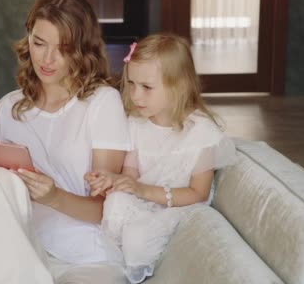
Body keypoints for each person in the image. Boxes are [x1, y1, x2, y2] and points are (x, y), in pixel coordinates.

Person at [0, 0, 131, 283]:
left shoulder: (102, 102)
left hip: (86, 257)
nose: (48, 59)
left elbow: (106, 209)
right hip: (24, 249)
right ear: (28, 39)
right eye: (39, 43)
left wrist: (54, 197)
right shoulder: (8, 108)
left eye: (63, 48)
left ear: (82, 49)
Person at [85, 33, 236, 283]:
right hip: (144, 197)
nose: (135, 95)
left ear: (179, 85)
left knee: (137, 238)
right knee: (115, 203)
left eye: (147, 87)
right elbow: (131, 173)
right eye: (131, 84)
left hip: (178, 204)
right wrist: (115, 180)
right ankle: (111, 264)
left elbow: (197, 193)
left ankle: (139, 267)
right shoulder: (136, 123)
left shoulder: (200, 132)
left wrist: (143, 190)